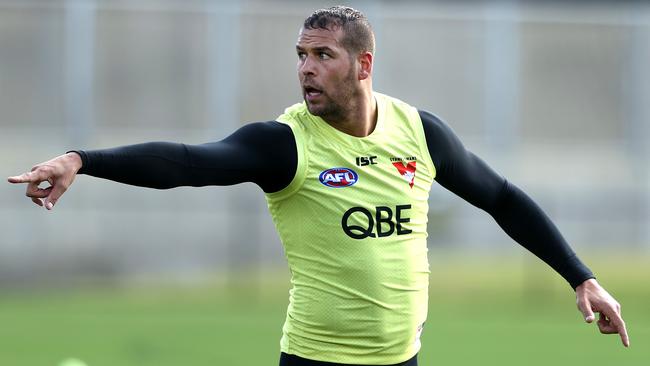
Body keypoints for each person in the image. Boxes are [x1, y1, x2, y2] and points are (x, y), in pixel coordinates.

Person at [8, 6, 628, 366]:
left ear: (363, 65)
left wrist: (582, 276)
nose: (306, 67)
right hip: (317, 363)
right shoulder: (285, 142)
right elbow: (189, 163)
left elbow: (502, 198)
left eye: (324, 55)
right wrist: (82, 160)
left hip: (401, 360)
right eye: (301, 54)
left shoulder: (418, 131)